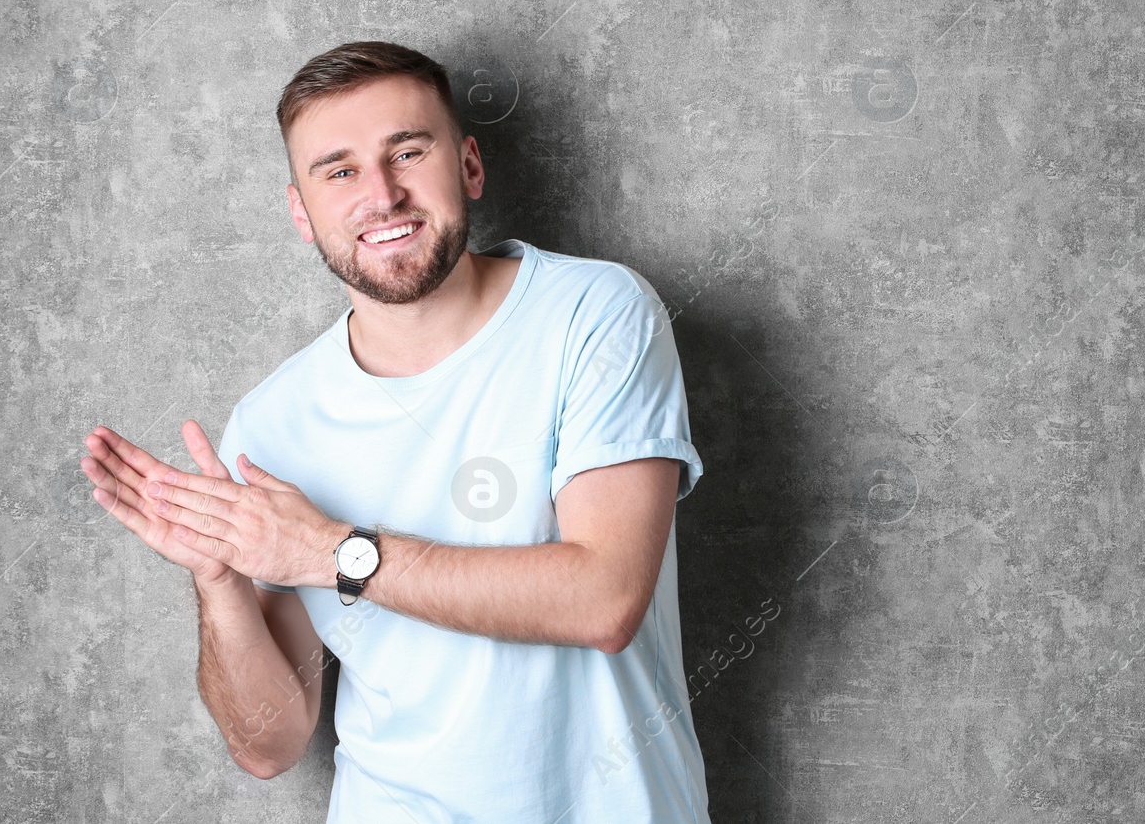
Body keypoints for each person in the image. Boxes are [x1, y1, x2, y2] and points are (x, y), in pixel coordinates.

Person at [78, 40, 712, 823]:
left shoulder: (596, 314)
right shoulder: (269, 427)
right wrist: (220, 583)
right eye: (338, 171)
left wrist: (329, 551)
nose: (381, 195)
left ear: (469, 166)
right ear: (301, 212)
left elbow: (604, 601)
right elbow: (268, 744)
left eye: (407, 151)